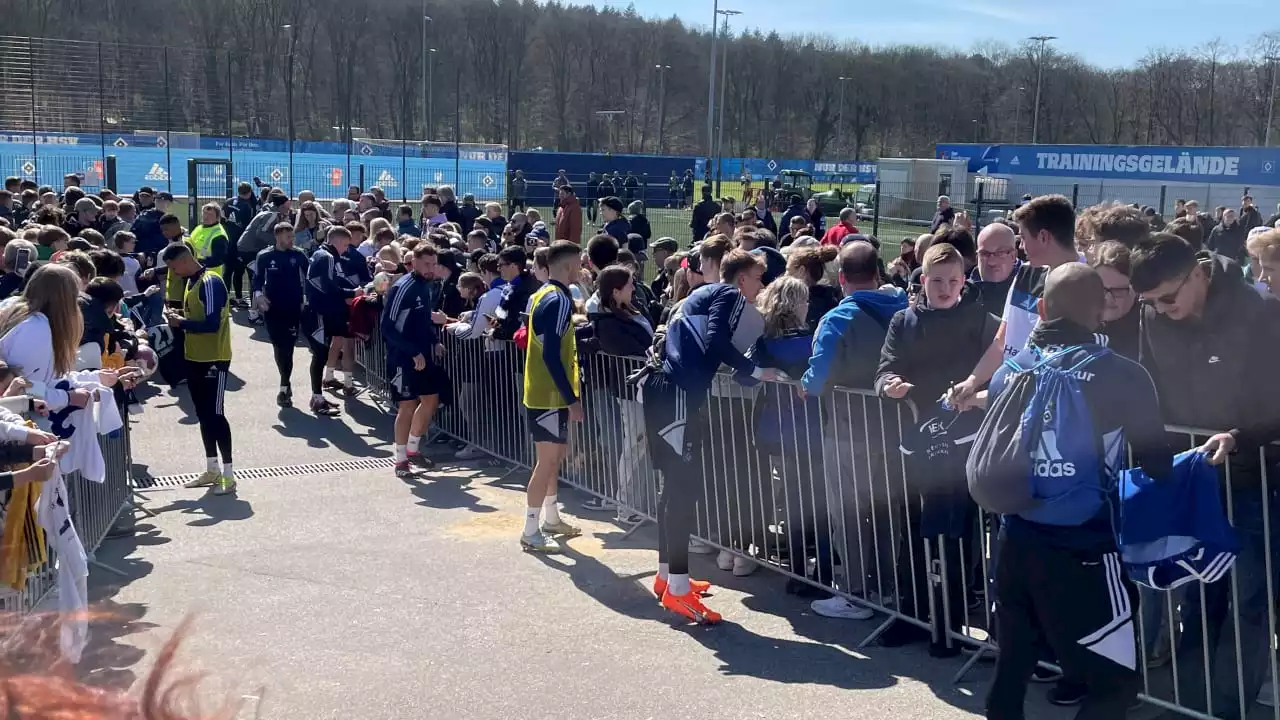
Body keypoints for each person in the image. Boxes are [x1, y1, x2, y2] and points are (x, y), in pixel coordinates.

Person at [979, 263, 1173, 720]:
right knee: (1115, 683)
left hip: (1015, 537)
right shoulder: (1123, 374)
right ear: (1100, 311)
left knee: (1012, 668)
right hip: (1085, 546)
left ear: (1042, 308)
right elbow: (1156, 462)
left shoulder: (1010, 371)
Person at [1129, 232, 1280, 718]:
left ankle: (1229, 708)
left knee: (1247, 601)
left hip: (1257, 478)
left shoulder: (1260, 313)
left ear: (1198, 271)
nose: (1160, 309)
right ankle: (1191, 704)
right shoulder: (1152, 316)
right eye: (1150, 302)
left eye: (1167, 298)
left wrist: (1240, 436)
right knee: (1195, 594)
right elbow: (1148, 385)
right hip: (1193, 477)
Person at [873, 242, 997, 648]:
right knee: (913, 531)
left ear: (964, 281)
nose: (945, 289)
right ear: (922, 281)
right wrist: (888, 385)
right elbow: (885, 368)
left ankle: (952, 621)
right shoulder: (903, 321)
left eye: (953, 281)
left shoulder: (982, 321)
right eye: (937, 281)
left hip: (966, 443)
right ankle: (911, 613)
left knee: (960, 533)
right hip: (915, 442)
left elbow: (1000, 373)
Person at [640, 249, 774, 623]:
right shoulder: (728, 295)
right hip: (677, 393)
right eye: (757, 278)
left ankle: (669, 577)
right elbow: (716, 341)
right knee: (683, 490)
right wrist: (755, 370)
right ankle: (679, 589)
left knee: (672, 489)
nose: (760, 287)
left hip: (663, 388)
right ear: (742, 278)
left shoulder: (695, 294)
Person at [800, 241, 908, 620]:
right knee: (886, 513)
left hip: (848, 428)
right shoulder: (904, 311)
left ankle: (855, 593)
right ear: (878, 275)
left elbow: (816, 379)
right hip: (893, 427)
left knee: (847, 513)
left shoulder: (836, 319)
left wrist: (805, 382)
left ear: (841, 278)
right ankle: (886, 588)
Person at [948, 195, 1081, 410]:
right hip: (1006, 400)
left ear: (1044, 237)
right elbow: (1002, 341)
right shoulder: (1025, 274)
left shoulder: (1086, 282)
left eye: (1023, 237)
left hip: (1038, 409)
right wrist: (973, 381)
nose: (1020, 245)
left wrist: (979, 398)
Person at [514, 240, 587, 553]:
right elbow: (552, 356)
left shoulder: (543, 293)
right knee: (546, 463)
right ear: (569, 266)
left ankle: (551, 519)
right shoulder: (558, 298)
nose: (582, 269)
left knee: (553, 460)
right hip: (548, 396)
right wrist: (571, 398)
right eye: (579, 263)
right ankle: (530, 529)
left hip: (546, 393)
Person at [160, 242, 236, 496]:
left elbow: (213, 324)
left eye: (173, 267)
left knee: (216, 414)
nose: (173, 273)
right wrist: (178, 316)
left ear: (184, 260)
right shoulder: (191, 282)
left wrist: (181, 322)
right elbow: (197, 315)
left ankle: (229, 474)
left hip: (214, 358)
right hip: (193, 357)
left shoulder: (210, 282)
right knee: (203, 414)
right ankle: (211, 468)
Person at [382, 243, 447, 479]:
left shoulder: (425, 287)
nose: (431, 269)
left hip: (424, 354)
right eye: (427, 264)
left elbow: (421, 321)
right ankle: (400, 461)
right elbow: (387, 327)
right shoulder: (403, 287)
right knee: (407, 405)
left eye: (434, 264)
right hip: (402, 357)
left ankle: (412, 449)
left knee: (431, 400)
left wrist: (434, 341)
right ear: (415, 262)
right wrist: (412, 352)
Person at [253, 222, 309, 409]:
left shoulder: (298, 255)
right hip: (272, 307)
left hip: (292, 307)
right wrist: (259, 296)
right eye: (288, 237)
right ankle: (285, 380)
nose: (292, 240)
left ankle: (284, 387)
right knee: (278, 346)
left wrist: (305, 299)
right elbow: (257, 279)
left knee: (289, 347)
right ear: (278, 237)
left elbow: (308, 278)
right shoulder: (265, 256)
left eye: (292, 236)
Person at [306, 225, 365, 402]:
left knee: (329, 346)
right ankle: (317, 398)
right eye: (346, 245)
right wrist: (351, 293)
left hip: (319, 310)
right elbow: (328, 286)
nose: (346, 249)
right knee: (320, 354)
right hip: (319, 312)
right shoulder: (328, 257)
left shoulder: (320, 253)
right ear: (337, 241)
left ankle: (322, 389)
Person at [973, 223, 1019, 317]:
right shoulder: (960, 294)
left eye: (1000, 253)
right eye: (985, 253)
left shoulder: (1026, 299)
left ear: (1013, 256)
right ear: (977, 257)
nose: (992, 262)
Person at [187, 203, 229, 279]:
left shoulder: (219, 235)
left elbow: (218, 260)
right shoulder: (199, 228)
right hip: (194, 273)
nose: (206, 216)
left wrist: (198, 263)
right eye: (204, 213)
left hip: (209, 276)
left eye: (210, 215)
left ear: (217, 217)